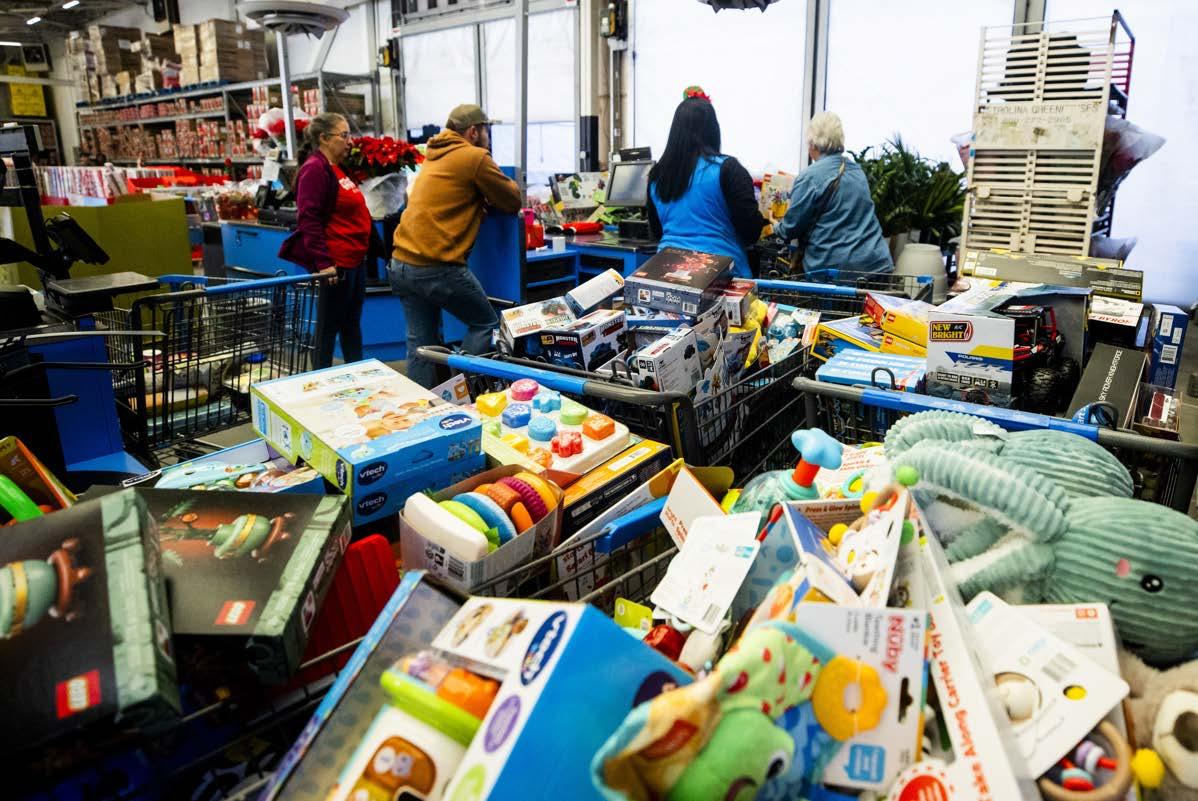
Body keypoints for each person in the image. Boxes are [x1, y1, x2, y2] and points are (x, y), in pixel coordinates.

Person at [390, 104, 522, 389]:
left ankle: (423, 408)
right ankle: (465, 390)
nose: (488, 136)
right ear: (474, 132)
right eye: (486, 130)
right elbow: (512, 199)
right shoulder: (473, 156)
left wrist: (473, 203)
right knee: (485, 323)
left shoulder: (434, 155)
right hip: (435, 265)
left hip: (400, 263)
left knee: (420, 344)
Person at [279, 112, 371, 369]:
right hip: (335, 264)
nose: (349, 141)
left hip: (354, 260)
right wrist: (324, 263)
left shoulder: (338, 168)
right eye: (343, 135)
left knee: (351, 323)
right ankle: (319, 376)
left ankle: (359, 372)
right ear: (324, 138)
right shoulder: (314, 170)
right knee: (328, 327)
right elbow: (309, 220)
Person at [646, 90, 766, 279]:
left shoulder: (657, 175)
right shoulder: (728, 169)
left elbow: (656, 230)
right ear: (713, 130)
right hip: (721, 275)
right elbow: (750, 231)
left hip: (667, 273)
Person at [774, 112, 892, 279]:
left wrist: (774, 226)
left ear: (813, 144)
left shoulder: (809, 177)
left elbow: (790, 228)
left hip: (836, 272)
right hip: (877, 264)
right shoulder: (857, 171)